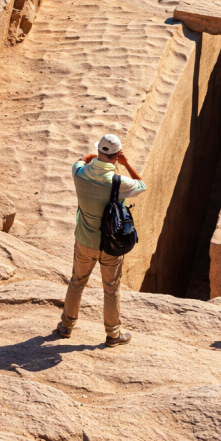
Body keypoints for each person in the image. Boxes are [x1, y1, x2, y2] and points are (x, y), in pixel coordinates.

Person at [56, 133, 146, 347]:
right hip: (111, 244)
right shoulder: (119, 182)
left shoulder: (79, 173)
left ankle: (66, 326)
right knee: (112, 288)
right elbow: (141, 186)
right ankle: (113, 334)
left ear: (98, 152)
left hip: (85, 241)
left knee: (77, 282)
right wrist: (125, 164)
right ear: (117, 156)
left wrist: (92, 156)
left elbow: (80, 160)